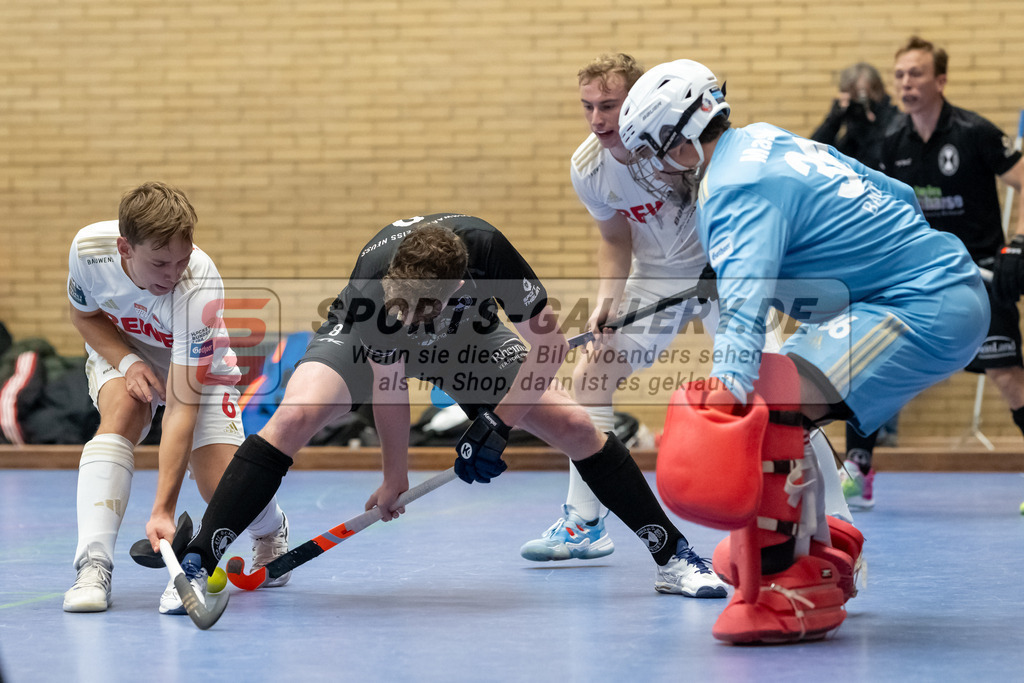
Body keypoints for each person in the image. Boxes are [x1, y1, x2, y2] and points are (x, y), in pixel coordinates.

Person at [154, 213, 729, 601]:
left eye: (424, 307)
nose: (410, 318)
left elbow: (549, 345)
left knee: (577, 426)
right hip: (366, 340)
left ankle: (672, 556)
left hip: (467, 340)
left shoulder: (489, 253)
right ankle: (204, 559)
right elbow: (390, 385)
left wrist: (497, 425)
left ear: (460, 283)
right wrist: (393, 477)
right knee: (297, 414)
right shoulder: (375, 287)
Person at [617, 59, 988, 643]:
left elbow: (744, 311)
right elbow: (893, 193)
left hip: (921, 304)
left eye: (651, 152)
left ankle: (788, 583)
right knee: (782, 393)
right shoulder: (763, 139)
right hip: (928, 283)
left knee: (768, 403)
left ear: (679, 143)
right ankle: (817, 549)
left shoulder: (732, 188)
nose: (655, 169)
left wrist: (728, 397)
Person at [520, 53, 854, 567]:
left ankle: (836, 517)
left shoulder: (686, 144)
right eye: (587, 106)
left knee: (782, 393)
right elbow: (613, 236)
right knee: (592, 376)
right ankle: (584, 521)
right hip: (657, 277)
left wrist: (733, 265)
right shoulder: (589, 167)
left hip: (726, 271)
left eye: (608, 105)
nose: (597, 119)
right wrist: (607, 299)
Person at [63, 182, 291, 615]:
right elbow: (84, 314)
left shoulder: (198, 284)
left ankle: (270, 529)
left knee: (218, 484)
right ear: (124, 247)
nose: (172, 274)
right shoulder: (88, 250)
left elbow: (181, 407)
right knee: (122, 414)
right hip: (127, 351)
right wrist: (128, 362)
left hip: (196, 366)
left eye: (182, 258)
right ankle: (93, 566)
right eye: (160, 262)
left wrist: (162, 510)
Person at [873, 36, 1024, 507]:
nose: (905, 83)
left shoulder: (973, 131)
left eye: (915, 74)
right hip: (919, 279)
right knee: (874, 364)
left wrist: (1017, 244)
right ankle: (858, 468)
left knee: (1007, 377)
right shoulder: (891, 142)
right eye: (899, 75)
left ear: (939, 80)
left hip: (978, 277)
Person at [810, 61, 902, 506]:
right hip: (852, 251)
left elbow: (890, 159)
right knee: (855, 361)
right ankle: (859, 461)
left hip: (892, 246)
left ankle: (862, 457)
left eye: (866, 94)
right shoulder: (845, 130)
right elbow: (813, 154)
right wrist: (837, 114)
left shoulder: (894, 124)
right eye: (853, 94)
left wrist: (874, 114)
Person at [810, 62, 900, 171]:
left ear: (878, 90)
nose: (856, 106)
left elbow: (878, 162)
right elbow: (813, 154)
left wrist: (871, 124)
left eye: (862, 98)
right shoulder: (851, 131)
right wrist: (834, 119)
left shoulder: (896, 121)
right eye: (852, 98)